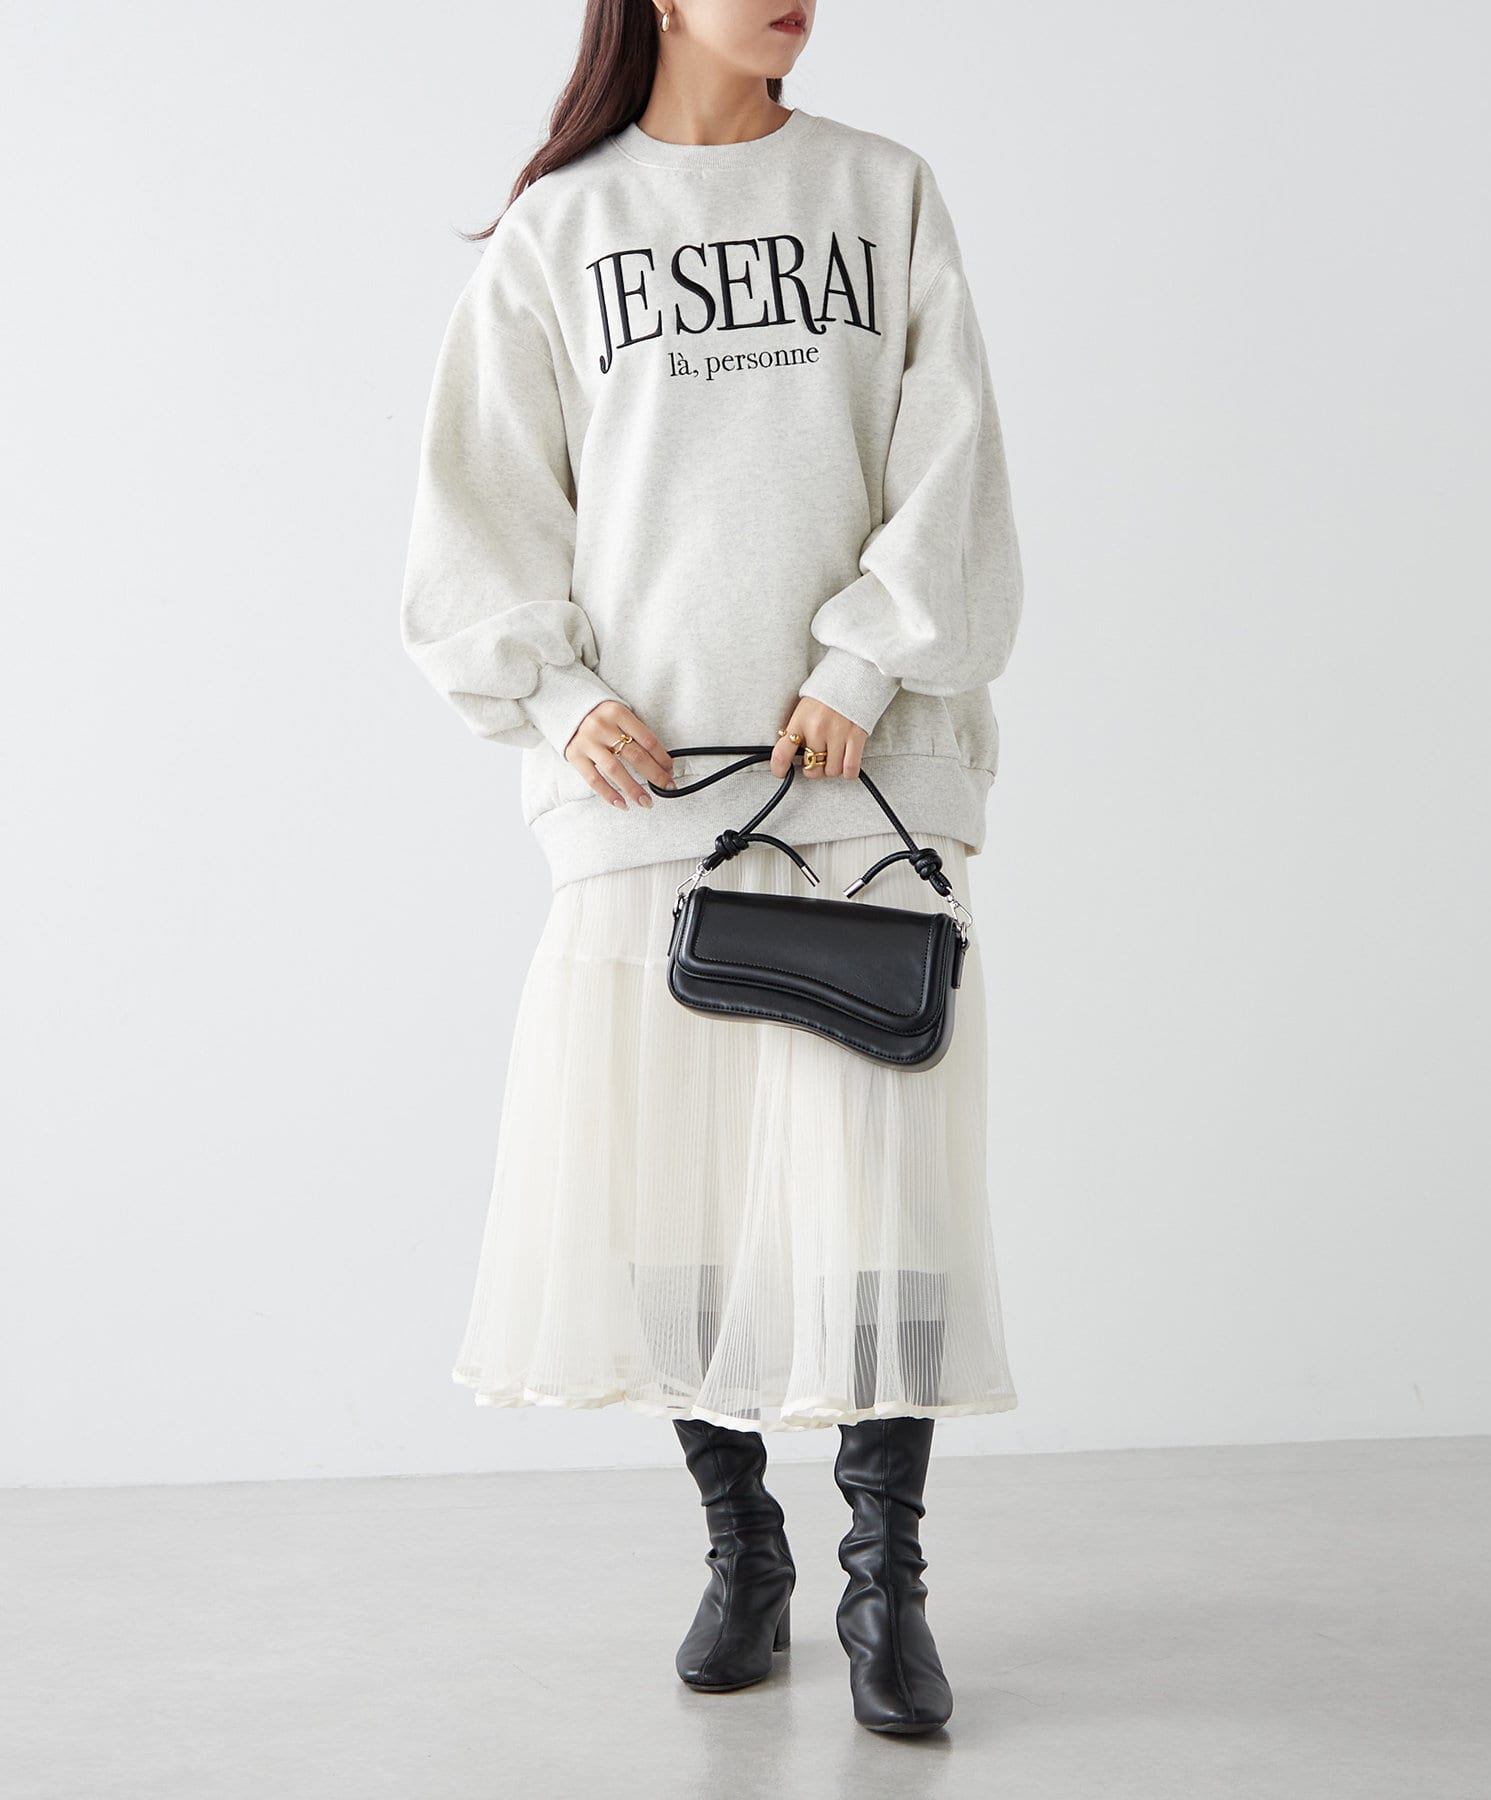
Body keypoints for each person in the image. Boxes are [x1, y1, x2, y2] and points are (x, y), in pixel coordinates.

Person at [399, 0, 1024, 1738]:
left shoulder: (883, 191)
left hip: (864, 778)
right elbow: (481, 512)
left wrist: (859, 672)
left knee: (885, 1191)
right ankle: (742, 1544)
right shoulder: (562, 229)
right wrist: (562, 698)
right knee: (676, 1183)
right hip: (654, 785)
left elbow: (954, 463)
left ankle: (886, 1576)